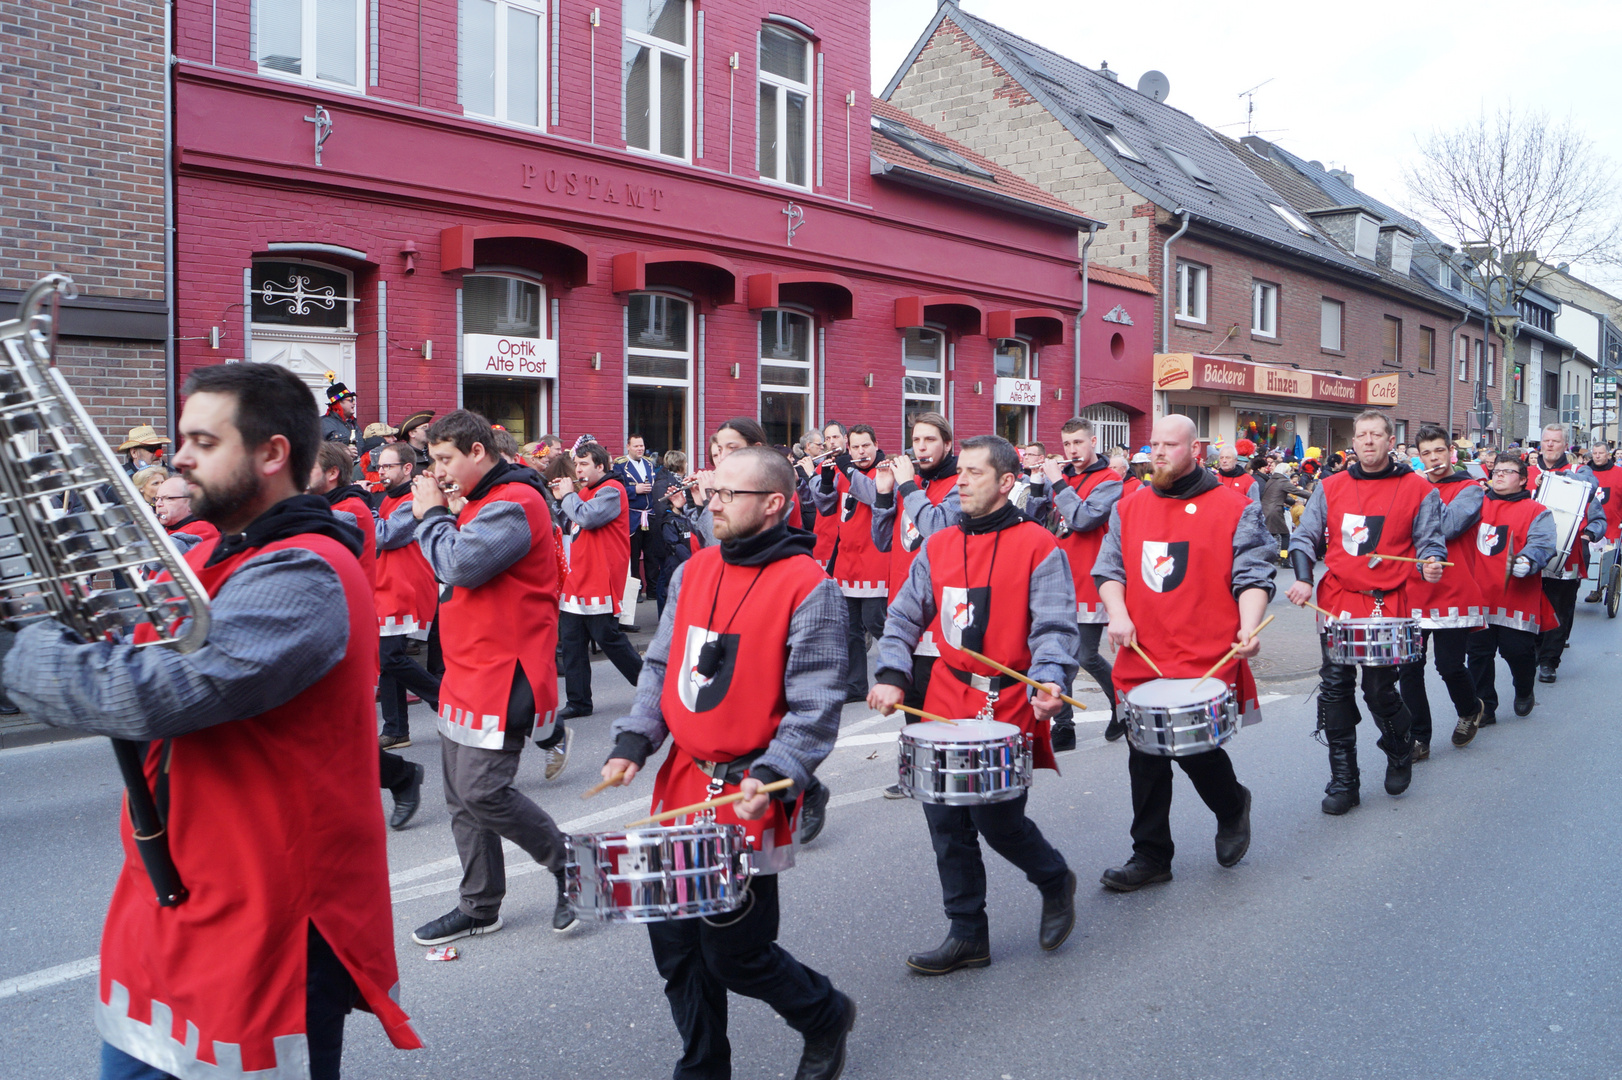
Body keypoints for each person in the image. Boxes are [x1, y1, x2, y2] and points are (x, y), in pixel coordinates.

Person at [4, 361, 420, 1078]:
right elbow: (122, 647)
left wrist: (17, 651)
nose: (178, 459)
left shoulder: (305, 573)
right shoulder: (217, 553)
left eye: (202, 441)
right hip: (179, 900)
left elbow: (150, 692)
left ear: (271, 454)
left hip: (268, 921)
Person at [601, 446, 856, 1080]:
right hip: (683, 783)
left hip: (748, 789)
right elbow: (662, 665)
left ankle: (823, 1013)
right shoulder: (694, 571)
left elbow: (816, 705)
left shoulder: (810, 587)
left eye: (727, 495)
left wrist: (771, 777)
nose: (710, 503)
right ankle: (704, 1068)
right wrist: (635, 740)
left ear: (773, 504)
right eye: (710, 492)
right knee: (676, 948)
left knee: (735, 950)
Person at [870, 435, 1079, 976]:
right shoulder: (937, 547)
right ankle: (968, 934)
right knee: (945, 822)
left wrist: (1049, 680)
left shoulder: (1040, 546)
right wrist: (892, 674)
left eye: (974, 473)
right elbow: (901, 619)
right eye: (958, 471)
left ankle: (1054, 879)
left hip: (1007, 700)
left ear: (1007, 482)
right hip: (945, 697)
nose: (959, 480)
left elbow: (1054, 629)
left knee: (997, 822)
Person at [410, 408, 576, 944]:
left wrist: (431, 516)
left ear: (477, 452)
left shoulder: (515, 501)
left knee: (483, 791)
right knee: (461, 796)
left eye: (444, 459)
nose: (437, 472)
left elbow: (457, 566)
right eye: (432, 461)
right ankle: (480, 904)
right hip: (469, 667)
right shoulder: (487, 498)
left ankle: (571, 864)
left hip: (504, 671)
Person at [1093, 414, 1271, 891]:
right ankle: (1150, 855)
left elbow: (1253, 576)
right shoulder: (1128, 506)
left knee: (1194, 749)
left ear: (1195, 451)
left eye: (1169, 445)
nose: (1158, 452)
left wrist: (1249, 628)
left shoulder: (1235, 506)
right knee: (1144, 754)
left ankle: (1232, 805)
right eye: (1153, 444)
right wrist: (1118, 613)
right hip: (1144, 651)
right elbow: (1109, 569)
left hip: (1204, 653)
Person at [1286, 410, 1446, 815]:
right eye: (1361, 435)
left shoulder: (1419, 489)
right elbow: (1305, 536)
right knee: (1335, 688)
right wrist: (1304, 578)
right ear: (1353, 443)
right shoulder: (1331, 486)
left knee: (1377, 690)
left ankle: (1398, 746)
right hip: (1339, 596)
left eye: (1377, 435)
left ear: (1391, 441)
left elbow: (1431, 542)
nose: (1369, 441)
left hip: (1387, 599)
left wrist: (1430, 561)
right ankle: (1345, 781)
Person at [871, 412, 961, 797]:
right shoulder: (914, 483)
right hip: (906, 608)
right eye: (916, 440)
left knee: (937, 698)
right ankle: (916, 770)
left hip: (940, 612)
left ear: (947, 444)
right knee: (910, 699)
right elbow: (883, 540)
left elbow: (938, 530)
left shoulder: (960, 485)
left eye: (928, 441)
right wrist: (884, 492)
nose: (919, 448)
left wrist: (908, 486)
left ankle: (944, 768)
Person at [1399, 426, 1488, 755]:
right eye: (1426, 454)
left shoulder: (1471, 488)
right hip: (1415, 588)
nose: (1433, 458)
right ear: (1419, 457)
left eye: (1439, 451)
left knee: (1449, 666)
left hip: (1454, 589)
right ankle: (1418, 737)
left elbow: (1449, 526)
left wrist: (1419, 490)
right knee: (1409, 667)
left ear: (1451, 451)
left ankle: (1469, 709)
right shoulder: (1414, 488)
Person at [1039, 416, 1123, 748]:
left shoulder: (1110, 480)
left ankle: (1122, 704)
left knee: (1085, 656)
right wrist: (1037, 486)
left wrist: (1057, 483)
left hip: (1090, 578)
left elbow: (1084, 518)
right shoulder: (1060, 477)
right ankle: (1064, 726)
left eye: (1078, 442)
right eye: (1067, 444)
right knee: (1059, 654)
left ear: (1093, 442)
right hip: (1057, 579)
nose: (1072, 450)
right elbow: (1039, 519)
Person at [552, 441, 642, 722]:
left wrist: (567, 497)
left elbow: (587, 518)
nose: (577, 470)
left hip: (599, 578)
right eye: (576, 465)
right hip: (578, 577)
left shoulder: (611, 491)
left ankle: (653, 687)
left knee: (608, 638)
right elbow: (570, 525)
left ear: (600, 466)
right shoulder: (587, 491)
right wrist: (559, 499)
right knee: (572, 642)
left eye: (583, 464)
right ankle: (578, 702)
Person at [1466, 454, 1558, 724]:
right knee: (1478, 655)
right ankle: (1485, 707)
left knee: (1516, 651)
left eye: (1508, 471)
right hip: (1478, 594)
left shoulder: (1537, 511)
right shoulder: (1475, 504)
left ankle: (1524, 688)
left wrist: (1528, 560)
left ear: (1522, 479)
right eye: (1497, 470)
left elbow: (1542, 544)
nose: (1500, 475)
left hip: (1516, 595)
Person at [372, 443, 442, 755]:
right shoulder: (387, 497)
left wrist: (362, 507)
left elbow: (385, 536)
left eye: (388, 467)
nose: (381, 473)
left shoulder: (414, 497)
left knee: (390, 657)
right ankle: (396, 729)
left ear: (407, 468)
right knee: (387, 661)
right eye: (380, 467)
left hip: (408, 585)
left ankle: (444, 700)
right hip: (387, 585)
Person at [812, 423, 889, 703]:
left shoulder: (885, 469)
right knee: (849, 630)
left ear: (876, 444)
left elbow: (872, 494)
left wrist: (848, 470)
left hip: (876, 561)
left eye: (865, 445)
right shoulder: (847, 470)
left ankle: (903, 673)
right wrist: (825, 479)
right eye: (855, 446)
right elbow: (825, 507)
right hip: (847, 560)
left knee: (877, 623)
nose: (860, 451)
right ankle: (855, 685)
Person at [1527, 424, 1607, 682]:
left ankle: (1549, 661)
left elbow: (1596, 507)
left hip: (1567, 554)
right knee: (1532, 607)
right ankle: (1538, 651)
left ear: (1564, 445)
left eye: (1555, 441)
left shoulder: (1578, 471)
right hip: (1529, 552)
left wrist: (1589, 535)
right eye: (1546, 441)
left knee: (1560, 609)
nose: (1550, 445)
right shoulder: (1526, 472)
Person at [615, 433, 665, 601]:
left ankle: (652, 590)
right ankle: (635, 592)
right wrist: (633, 490)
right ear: (628, 447)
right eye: (636, 446)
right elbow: (616, 490)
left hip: (649, 514)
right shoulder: (620, 466)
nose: (639, 449)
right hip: (633, 516)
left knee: (652, 555)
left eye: (641, 445)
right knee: (633, 556)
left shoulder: (649, 464)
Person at [1584, 441, 1622, 603]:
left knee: (1608, 558)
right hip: (1589, 523)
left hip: (1613, 524)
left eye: (1601, 453)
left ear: (1608, 454)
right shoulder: (1584, 473)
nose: (1597, 456)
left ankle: (1607, 587)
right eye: (1595, 453)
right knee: (1588, 557)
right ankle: (1593, 588)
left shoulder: (1619, 473)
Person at [1259, 459, 1308, 564]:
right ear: (1285, 472)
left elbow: (1280, 495)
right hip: (1276, 511)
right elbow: (1298, 491)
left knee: (1271, 535)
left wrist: (1293, 501)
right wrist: (1314, 495)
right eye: (1289, 472)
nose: (1289, 474)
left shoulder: (1271, 480)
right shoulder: (1283, 481)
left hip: (1266, 510)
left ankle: (1269, 557)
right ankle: (1284, 558)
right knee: (1285, 534)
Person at [153, 474, 220, 549]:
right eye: (156, 498)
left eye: (168, 498)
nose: (158, 504)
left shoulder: (201, 529)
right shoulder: (172, 527)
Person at [320, 380, 360, 477]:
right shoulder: (323, 424)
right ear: (338, 403)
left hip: (354, 474)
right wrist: (343, 452)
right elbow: (317, 450)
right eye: (350, 400)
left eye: (354, 400)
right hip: (334, 475)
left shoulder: (353, 424)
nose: (354, 403)